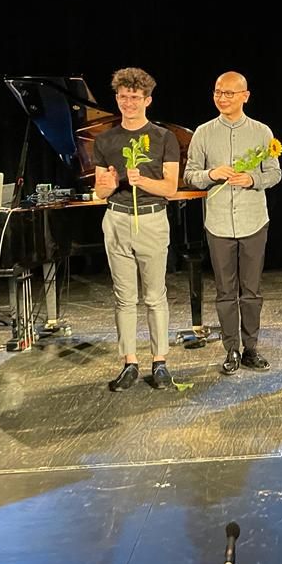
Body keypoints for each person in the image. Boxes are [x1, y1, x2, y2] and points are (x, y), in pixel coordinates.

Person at [184, 71, 281, 375]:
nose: (222, 98)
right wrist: (212, 174)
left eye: (229, 93)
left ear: (245, 96)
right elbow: (190, 175)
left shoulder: (262, 131)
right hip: (218, 223)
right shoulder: (203, 132)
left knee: (251, 290)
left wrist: (252, 179)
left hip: (254, 220)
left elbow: (275, 173)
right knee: (225, 291)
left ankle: (251, 348)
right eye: (218, 92)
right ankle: (231, 349)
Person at [93, 67, 180, 391]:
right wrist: (109, 183)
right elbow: (100, 192)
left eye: (134, 97)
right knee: (124, 297)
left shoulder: (163, 138)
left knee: (155, 296)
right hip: (117, 219)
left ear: (147, 100)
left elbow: (170, 187)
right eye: (123, 97)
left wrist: (140, 180)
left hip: (152, 219)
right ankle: (129, 362)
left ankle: (160, 362)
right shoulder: (104, 140)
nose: (128, 103)